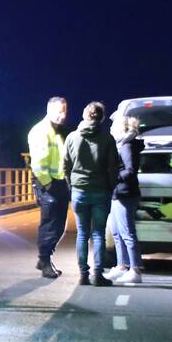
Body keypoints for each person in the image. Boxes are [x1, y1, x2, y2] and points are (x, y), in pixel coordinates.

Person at [63, 101, 119, 286]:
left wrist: (72, 185)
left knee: (82, 234)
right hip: (101, 190)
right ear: (102, 117)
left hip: (79, 191)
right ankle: (98, 274)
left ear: (84, 115)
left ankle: (83, 275)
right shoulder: (107, 139)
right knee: (98, 234)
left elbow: (65, 165)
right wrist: (111, 186)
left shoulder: (72, 137)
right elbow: (113, 167)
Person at [27, 96, 69, 279]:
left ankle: (45, 258)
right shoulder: (41, 131)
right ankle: (44, 260)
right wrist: (48, 184)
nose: (63, 115)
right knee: (50, 225)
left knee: (59, 225)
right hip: (49, 184)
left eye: (65, 110)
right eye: (60, 111)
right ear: (50, 110)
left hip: (58, 183)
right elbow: (38, 161)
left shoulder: (56, 131)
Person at [104, 115, 144, 284]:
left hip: (125, 194)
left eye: (113, 125)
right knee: (116, 232)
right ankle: (121, 266)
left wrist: (113, 177)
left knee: (127, 232)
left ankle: (135, 270)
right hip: (118, 193)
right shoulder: (120, 144)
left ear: (121, 127)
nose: (111, 128)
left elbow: (130, 170)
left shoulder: (126, 146)